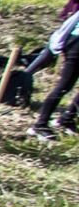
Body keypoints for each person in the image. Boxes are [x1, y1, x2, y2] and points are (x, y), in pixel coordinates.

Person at [27, 11, 79, 141]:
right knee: (64, 85)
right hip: (76, 44)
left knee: (65, 86)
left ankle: (66, 119)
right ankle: (39, 125)